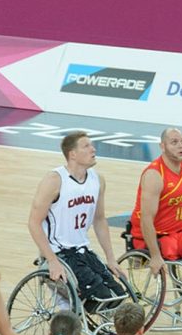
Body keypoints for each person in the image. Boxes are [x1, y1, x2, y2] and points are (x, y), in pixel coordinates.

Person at [28, 131, 127, 309]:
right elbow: (34, 223)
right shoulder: (54, 180)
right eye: (86, 146)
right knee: (101, 299)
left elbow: (99, 220)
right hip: (59, 253)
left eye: (92, 145)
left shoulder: (98, 180)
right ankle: (68, 316)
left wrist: (111, 258)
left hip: (83, 251)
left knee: (119, 296)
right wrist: (51, 260)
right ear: (73, 154)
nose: (93, 149)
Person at [128, 127, 182, 280]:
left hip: (179, 232)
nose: (180, 146)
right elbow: (146, 218)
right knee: (173, 252)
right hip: (157, 236)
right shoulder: (154, 175)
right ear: (162, 146)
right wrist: (154, 256)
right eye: (174, 142)